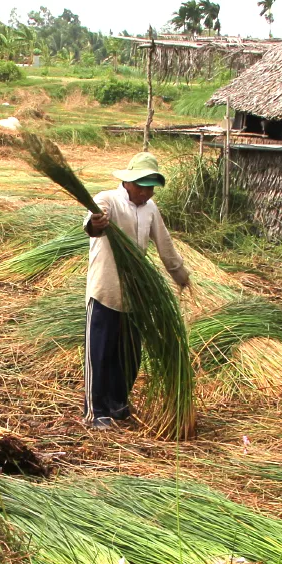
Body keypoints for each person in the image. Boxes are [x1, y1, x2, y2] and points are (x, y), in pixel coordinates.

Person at [82, 151, 193, 428]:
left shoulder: (150, 209)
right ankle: (95, 411)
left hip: (135, 295)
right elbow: (94, 223)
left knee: (130, 354)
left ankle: (118, 404)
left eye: (151, 187)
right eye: (142, 186)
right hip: (105, 291)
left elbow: (165, 245)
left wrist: (181, 276)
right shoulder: (107, 199)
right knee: (100, 354)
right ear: (128, 182)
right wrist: (96, 222)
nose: (146, 192)